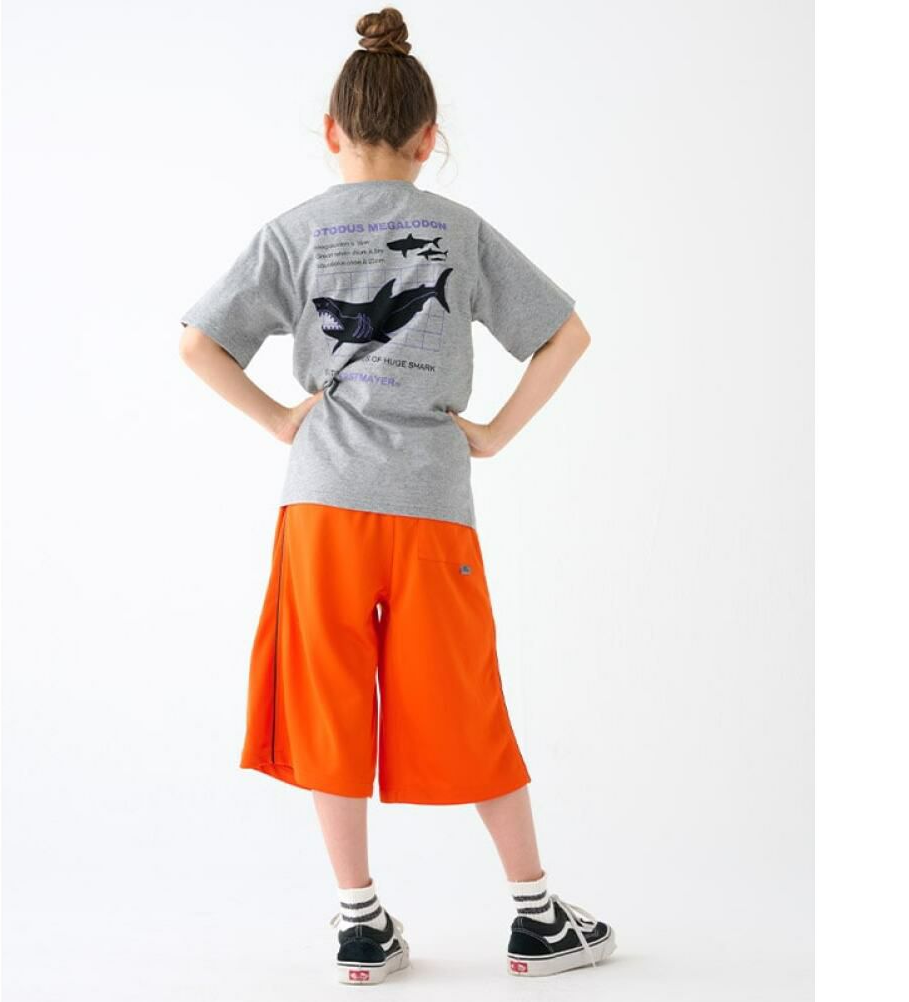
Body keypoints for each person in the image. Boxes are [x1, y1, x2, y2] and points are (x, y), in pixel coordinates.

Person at [178, 6, 615, 986]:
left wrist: (280, 420)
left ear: (331, 130)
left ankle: (360, 924)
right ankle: (536, 917)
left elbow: (199, 343)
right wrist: (494, 433)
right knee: (467, 700)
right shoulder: (460, 231)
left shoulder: (293, 231)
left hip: (320, 510)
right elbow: (568, 335)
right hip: (430, 509)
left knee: (328, 706)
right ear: (429, 140)